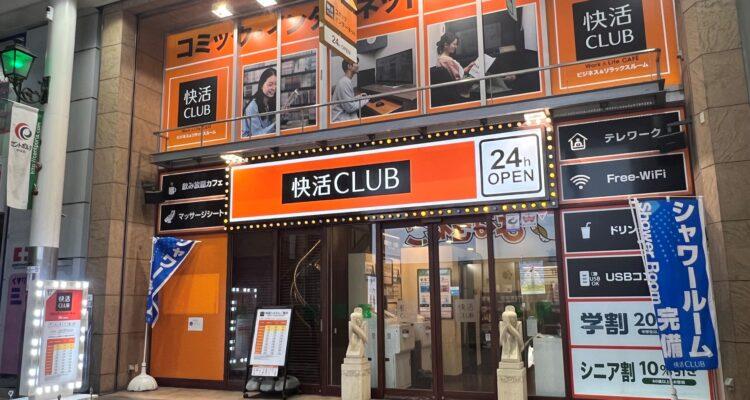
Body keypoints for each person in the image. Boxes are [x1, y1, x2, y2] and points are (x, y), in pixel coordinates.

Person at [242, 67, 276, 137]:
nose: (274, 88)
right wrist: (276, 124)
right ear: (261, 85)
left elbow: (267, 127)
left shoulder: (268, 103)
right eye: (270, 84)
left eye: (276, 84)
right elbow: (257, 134)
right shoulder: (252, 106)